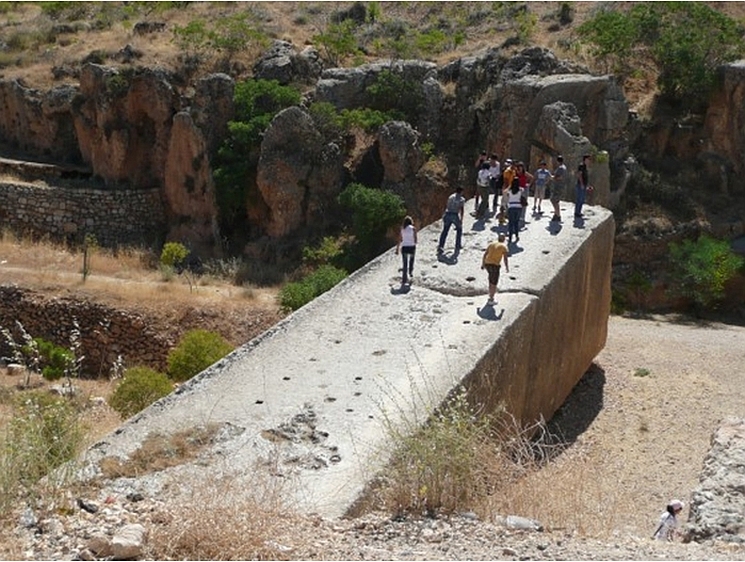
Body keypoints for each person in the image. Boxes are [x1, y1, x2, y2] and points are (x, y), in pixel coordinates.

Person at [481, 233, 509, 305]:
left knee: (490, 279)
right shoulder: (503, 246)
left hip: (487, 264)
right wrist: (507, 267)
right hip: (495, 265)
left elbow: (485, 254)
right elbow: (505, 258)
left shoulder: (491, 244)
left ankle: (490, 295)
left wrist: (483, 264)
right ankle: (491, 299)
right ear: (504, 239)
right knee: (494, 282)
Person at [437, 186, 465, 254]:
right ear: (461, 192)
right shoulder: (462, 199)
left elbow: (446, 205)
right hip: (455, 215)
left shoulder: (451, 196)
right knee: (459, 229)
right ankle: (457, 245)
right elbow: (461, 209)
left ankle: (441, 246)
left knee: (445, 231)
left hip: (447, 214)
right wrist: (461, 219)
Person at [396, 215, 417, 285]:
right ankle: (410, 272)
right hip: (411, 246)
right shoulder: (413, 229)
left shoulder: (402, 229)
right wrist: (414, 242)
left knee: (405, 264)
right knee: (411, 260)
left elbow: (399, 239)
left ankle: (404, 279)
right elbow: (415, 239)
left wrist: (397, 249)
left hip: (404, 247)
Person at [504, 177, 524, 244]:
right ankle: (517, 235)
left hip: (511, 207)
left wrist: (510, 185)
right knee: (516, 222)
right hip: (518, 207)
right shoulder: (521, 189)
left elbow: (505, 191)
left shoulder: (509, 190)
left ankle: (510, 237)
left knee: (510, 223)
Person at [550, 155, 567, 222]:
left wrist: (552, 177)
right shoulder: (564, 167)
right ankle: (556, 214)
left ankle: (558, 215)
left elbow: (560, 177)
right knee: (556, 201)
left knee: (553, 200)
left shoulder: (561, 168)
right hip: (560, 186)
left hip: (558, 186)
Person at [575, 153, 592, 217]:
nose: (589, 160)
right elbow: (579, 175)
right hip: (580, 185)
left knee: (582, 199)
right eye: (589, 159)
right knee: (579, 199)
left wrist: (587, 186)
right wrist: (582, 184)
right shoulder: (581, 165)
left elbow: (585, 177)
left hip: (584, 185)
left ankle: (578, 212)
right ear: (585, 159)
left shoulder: (585, 166)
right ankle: (577, 212)